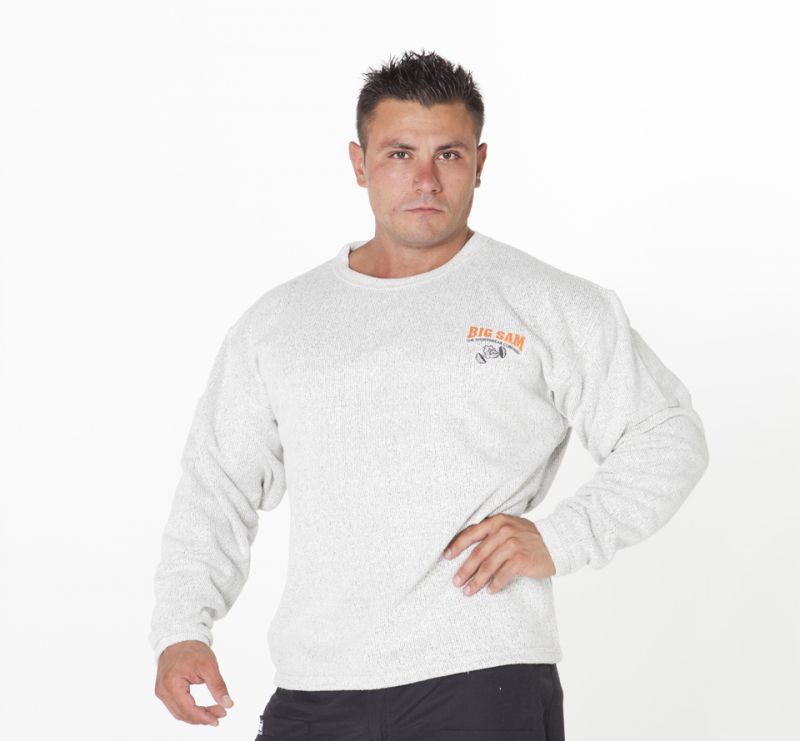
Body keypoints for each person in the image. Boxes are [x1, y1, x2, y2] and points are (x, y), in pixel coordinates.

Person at [150, 49, 709, 739]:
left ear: (480, 162)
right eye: (399, 154)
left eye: (448, 154)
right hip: (317, 685)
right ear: (359, 164)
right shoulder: (281, 322)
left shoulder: (548, 303)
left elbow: (667, 432)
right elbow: (218, 484)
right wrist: (183, 626)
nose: (425, 180)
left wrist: (562, 536)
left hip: (483, 675)